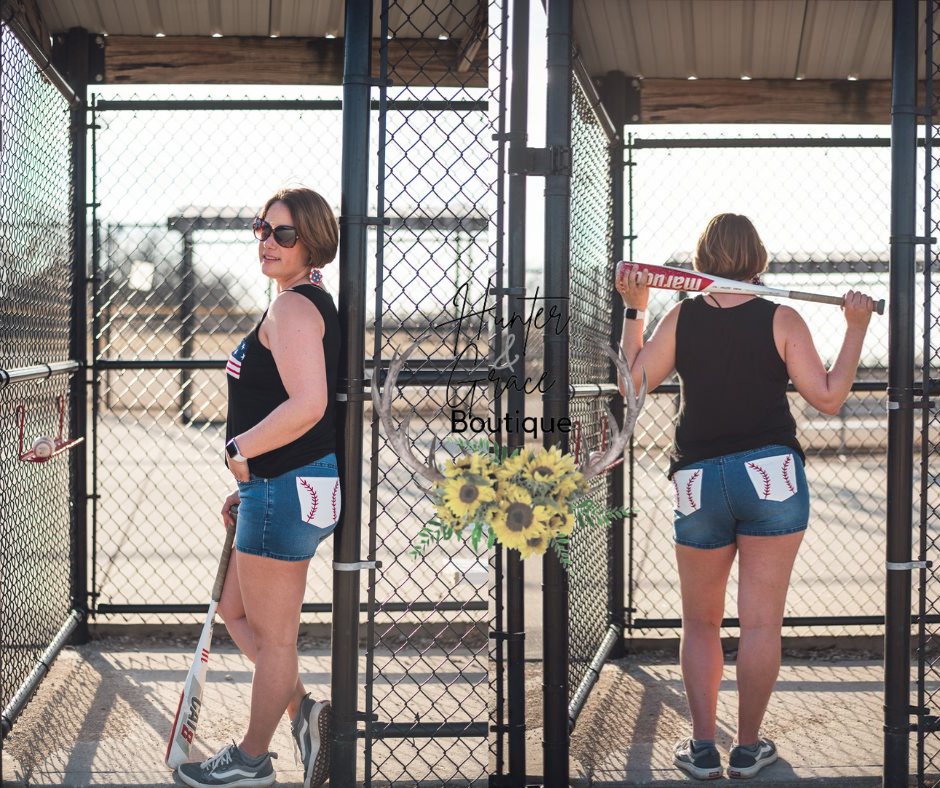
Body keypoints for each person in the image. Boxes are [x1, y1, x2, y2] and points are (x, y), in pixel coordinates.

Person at [615, 214, 875, 781]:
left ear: (702, 259)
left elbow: (633, 383)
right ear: (759, 258)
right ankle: (748, 748)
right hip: (771, 473)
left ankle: (704, 747)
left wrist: (636, 308)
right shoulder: (782, 317)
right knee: (761, 626)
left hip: (698, 480)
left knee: (700, 623)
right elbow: (828, 398)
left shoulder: (680, 316)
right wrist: (855, 326)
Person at [178, 187, 341, 788]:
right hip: (285, 486)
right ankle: (307, 714)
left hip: (283, 484)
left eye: (284, 234)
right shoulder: (308, 304)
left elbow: (309, 404)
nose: (268, 242)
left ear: (314, 243)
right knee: (235, 610)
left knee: (274, 642)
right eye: (262, 229)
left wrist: (239, 452)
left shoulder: (293, 309)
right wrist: (249, 487)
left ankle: (250, 760)